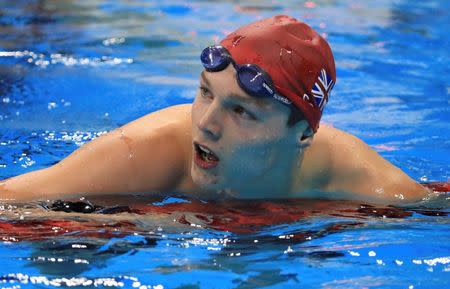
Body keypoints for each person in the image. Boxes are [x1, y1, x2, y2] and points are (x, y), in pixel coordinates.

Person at [0, 15, 429, 204]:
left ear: (302, 135)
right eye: (206, 93)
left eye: (242, 112)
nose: (205, 124)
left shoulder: (367, 183)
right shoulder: (140, 153)